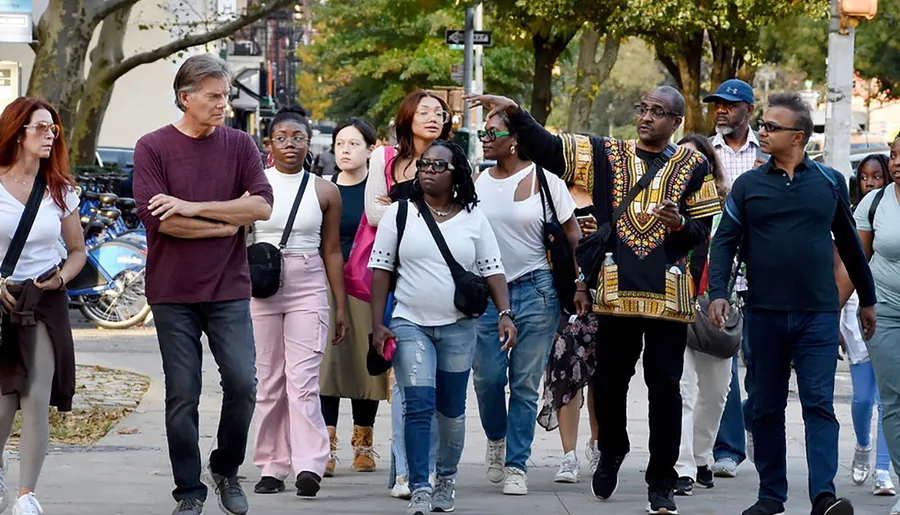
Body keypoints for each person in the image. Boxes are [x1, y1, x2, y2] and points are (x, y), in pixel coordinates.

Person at [469, 87, 720, 515]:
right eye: (642, 109)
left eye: (658, 112)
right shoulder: (606, 154)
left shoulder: (694, 164)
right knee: (607, 384)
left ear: (676, 122)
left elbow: (702, 232)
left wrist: (679, 225)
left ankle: (660, 480)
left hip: (668, 298)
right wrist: (516, 112)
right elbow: (549, 147)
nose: (646, 117)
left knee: (665, 390)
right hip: (615, 294)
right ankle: (613, 448)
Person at [708, 92, 878, 515]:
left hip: (818, 315)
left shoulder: (829, 182)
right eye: (762, 125)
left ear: (798, 137)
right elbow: (724, 243)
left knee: (818, 404)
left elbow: (852, 248)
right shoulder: (748, 186)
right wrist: (717, 294)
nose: (761, 132)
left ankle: (823, 495)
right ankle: (771, 496)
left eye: (771, 127)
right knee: (765, 407)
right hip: (763, 314)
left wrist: (867, 299)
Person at [133, 54, 274, 515]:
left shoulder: (239, 145)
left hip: (229, 287)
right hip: (172, 291)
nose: (224, 105)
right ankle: (188, 492)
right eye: (214, 97)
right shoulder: (152, 147)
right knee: (182, 393)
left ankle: (226, 468)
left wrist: (191, 207)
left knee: (243, 383)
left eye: (226, 96)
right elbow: (164, 224)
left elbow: (260, 208)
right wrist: (225, 222)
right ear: (185, 97)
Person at [369, 140, 517, 515]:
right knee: (418, 406)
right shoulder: (399, 213)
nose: (429, 170)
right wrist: (377, 326)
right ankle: (420, 485)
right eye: (424, 164)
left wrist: (505, 314)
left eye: (438, 165)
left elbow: (492, 268)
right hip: (409, 323)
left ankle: (446, 477)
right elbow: (381, 271)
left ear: (456, 175)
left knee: (450, 412)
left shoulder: (473, 217)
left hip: (458, 328)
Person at [472, 114, 583, 494]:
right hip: (488, 294)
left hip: (537, 291)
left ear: (515, 140)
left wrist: (581, 282)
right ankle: (496, 439)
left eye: (493, 133)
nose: (485, 138)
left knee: (524, 384)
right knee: (487, 378)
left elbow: (573, 233)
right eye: (483, 133)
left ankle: (517, 465)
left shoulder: (547, 181)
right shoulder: (478, 182)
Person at [250, 106, 348, 498]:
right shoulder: (254, 187)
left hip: (308, 284)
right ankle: (272, 465)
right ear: (269, 143)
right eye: (282, 138)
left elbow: (333, 252)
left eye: (298, 137)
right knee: (269, 381)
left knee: (303, 381)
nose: (290, 144)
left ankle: (310, 464)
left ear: (310, 142)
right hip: (262, 285)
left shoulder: (325, 191)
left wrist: (340, 304)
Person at [0, 97, 86, 515]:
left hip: (42, 300)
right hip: (1, 297)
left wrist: (62, 278)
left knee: (35, 395)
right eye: (41, 128)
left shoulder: (60, 190)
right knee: (2, 398)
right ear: (17, 132)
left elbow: (76, 252)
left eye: (54, 129)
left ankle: (25, 496)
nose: (50, 135)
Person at [363, 90, 451, 498]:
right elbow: (375, 214)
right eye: (425, 110)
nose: (433, 117)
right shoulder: (383, 159)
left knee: (433, 392)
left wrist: (399, 198)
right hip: (394, 286)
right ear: (408, 116)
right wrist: (417, 199)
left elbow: (459, 209)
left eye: (440, 111)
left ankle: (425, 469)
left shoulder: (453, 158)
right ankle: (405, 472)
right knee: (405, 386)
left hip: (439, 285)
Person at [319, 118, 385, 477]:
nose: (345, 150)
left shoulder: (378, 194)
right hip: (327, 286)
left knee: (365, 365)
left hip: (366, 286)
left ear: (370, 150)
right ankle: (325, 446)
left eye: (354, 144)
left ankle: (364, 444)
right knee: (328, 365)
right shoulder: (323, 188)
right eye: (340, 143)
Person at [704, 79, 763, 479]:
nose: (721, 110)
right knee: (721, 364)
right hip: (718, 277)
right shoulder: (705, 154)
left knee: (761, 370)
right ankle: (727, 449)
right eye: (717, 105)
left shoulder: (768, 153)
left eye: (729, 104)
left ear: (748, 110)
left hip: (760, 280)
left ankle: (753, 423)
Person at [672, 133, 731, 497]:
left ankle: (702, 454)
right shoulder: (661, 206)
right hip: (673, 305)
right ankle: (682, 467)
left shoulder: (727, 207)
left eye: (696, 160)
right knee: (682, 390)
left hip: (715, 307)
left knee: (716, 391)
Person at [537, 182, 601, 483]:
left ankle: (598, 446)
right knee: (565, 378)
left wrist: (601, 228)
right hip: (563, 298)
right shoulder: (551, 192)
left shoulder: (611, 189)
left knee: (603, 382)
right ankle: (568, 456)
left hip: (607, 297)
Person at [841, 153, 894, 496]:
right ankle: (862, 446)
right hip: (857, 312)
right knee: (862, 398)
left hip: (891, 312)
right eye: (864, 177)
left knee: (890, 399)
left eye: (877, 176)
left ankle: (884, 470)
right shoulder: (856, 212)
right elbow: (845, 267)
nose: (871, 182)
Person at [854, 135, 900, 515]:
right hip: (883, 310)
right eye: (895, 155)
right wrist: (826, 314)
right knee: (894, 400)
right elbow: (854, 263)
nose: (897, 162)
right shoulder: (874, 203)